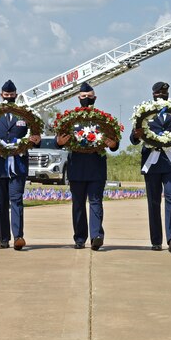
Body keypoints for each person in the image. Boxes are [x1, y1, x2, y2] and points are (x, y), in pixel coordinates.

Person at [129, 81, 171, 253]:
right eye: (159, 93)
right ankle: (156, 240)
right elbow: (133, 139)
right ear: (153, 94)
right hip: (152, 162)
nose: (162, 95)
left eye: (165, 93)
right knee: (154, 202)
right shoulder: (144, 113)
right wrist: (137, 135)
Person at [0, 80, 40, 250]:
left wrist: (36, 140)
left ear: (16, 95)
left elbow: (34, 136)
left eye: (12, 96)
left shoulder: (25, 115)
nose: (9, 98)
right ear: (1, 96)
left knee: (16, 200)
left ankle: (18, 237)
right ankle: (4, 239)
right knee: (2, 203)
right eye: (6, 96)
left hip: (18, 165)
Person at [57, 82, 120, 249]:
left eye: (89, 97)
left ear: (95, 98)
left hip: (96, 167)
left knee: (95, 202)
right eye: (83, 97)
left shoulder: (102, 119)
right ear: (78, 98)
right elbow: (60, 140)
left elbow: (114, 144)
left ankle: (96, 236)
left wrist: (113, 143)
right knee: (78, 204)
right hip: (76, 167)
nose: (86, 99)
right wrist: (59, 142)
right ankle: (79, 238)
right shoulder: (71, 120)